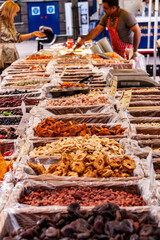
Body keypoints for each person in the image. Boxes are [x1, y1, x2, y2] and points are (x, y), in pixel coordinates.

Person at [75, 0, 141, 59]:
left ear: (114, 8)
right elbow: (96, 31)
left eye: (106, 8)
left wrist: (135, 51)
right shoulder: (107, 17)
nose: (103, 10)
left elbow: (137, 32)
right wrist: (83, 40)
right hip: (115, 52)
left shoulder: (126, 15)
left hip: (128, 52)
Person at [0, 0, 45, 71]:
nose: (15, 14)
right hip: (2, 59)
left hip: (11, 57)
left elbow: (17, 38)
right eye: (15, 12)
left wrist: (32, 34)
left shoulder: (10, 23)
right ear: (9, 11)